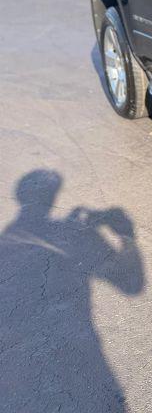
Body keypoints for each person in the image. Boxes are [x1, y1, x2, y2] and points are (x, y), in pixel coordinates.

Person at [0, 170, 144, 412]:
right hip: (77, 356)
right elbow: (131, 285)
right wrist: (126, 234)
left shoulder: (9, 237)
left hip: (17, 370)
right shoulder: (74, 233)